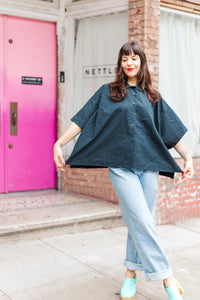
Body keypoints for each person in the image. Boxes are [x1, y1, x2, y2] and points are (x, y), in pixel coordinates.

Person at [54, 41, 194, 300]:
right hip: (121, 167)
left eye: (134, 58)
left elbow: (170, 128)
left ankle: (130, 272)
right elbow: (82, 119)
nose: (129, 63)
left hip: (148, 166)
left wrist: (187, 157)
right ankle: (167, 278)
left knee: (139, 222)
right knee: (141, 218)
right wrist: (60, 143)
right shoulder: (107, 92)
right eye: (125, 59)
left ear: (142, 62)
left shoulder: (152, 95)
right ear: (120, 63)